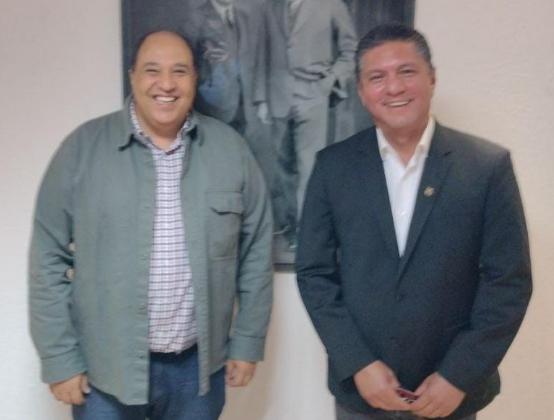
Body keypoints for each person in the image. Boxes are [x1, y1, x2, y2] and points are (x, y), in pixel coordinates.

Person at [29, 30, 273, 420]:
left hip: (197, 374)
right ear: (133, 76)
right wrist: (60, 358)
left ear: (195, 78)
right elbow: (47, 259)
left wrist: (246, 342)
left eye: (180, 71)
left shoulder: (231, 151)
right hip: (104, 374)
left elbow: (257, 253)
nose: (166, 84)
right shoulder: (81, 150)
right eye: (152, 70)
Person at [296, 23, 531, 420]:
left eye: (407, 72)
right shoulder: (333, 167)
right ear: (361, 91)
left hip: (450, 396)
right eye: (377, 77)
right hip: (363, 393)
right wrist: (357, 362)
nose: (394, 88)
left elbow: (508, 282)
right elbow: (314, 273)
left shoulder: (486, 167)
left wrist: (458, 376)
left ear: (432, 78)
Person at [264, 0, 357, 249]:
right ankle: (289, 223)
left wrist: (332, 79)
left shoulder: (331, 4)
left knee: (309, 167)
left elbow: (351, 50)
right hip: (278, 95)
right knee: (282, 167)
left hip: (313, 94)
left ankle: (306, 234)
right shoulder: (272, 5)